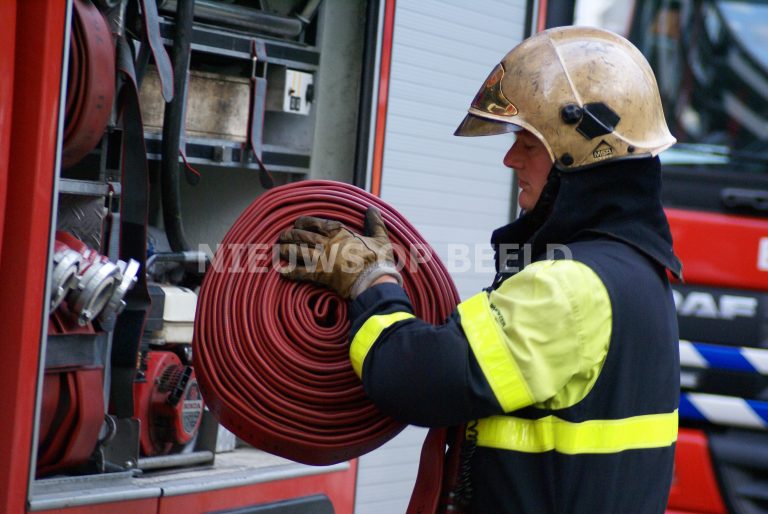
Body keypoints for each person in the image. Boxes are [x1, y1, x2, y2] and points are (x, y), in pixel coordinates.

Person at [278, 26, 682, 514]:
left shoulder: (572, 288)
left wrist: (370, 280)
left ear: (579, 161)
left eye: (529, 145)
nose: (511, 159)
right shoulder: (636, 275)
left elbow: (416, 379)